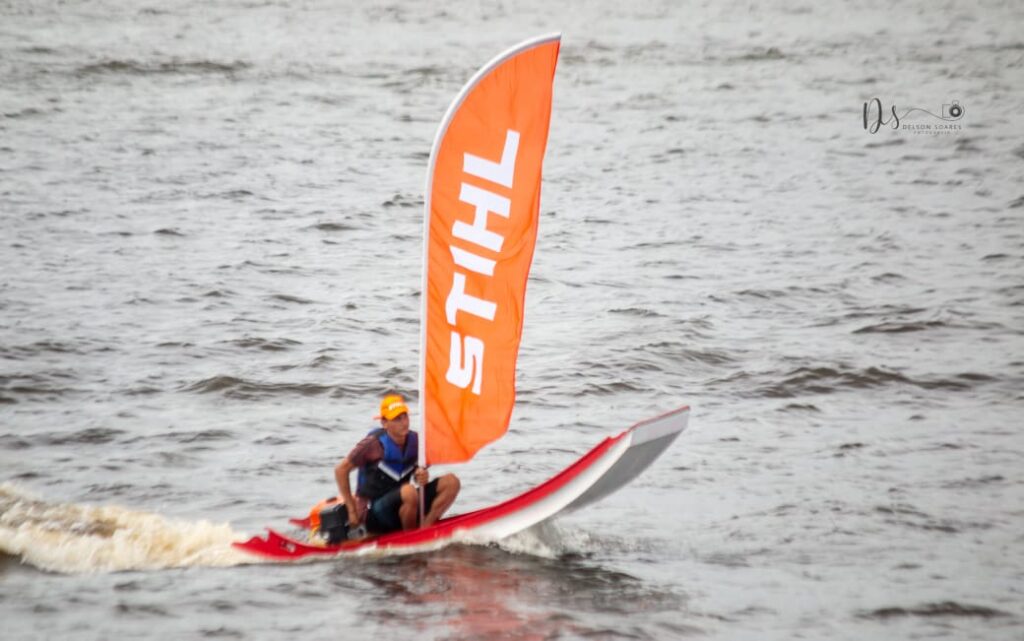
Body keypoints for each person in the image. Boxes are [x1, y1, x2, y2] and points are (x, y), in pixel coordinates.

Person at [334, 393, 460, 535]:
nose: (404, 422)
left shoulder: (416, 441)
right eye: (397, 419)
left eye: (405, 416)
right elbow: (340, 470)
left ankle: (425, 529)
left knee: (451, 482)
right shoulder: (372, 444)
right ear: (384, 423)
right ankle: (411, 538)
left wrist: (421, 474)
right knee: (409, 491)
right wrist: (351, 510)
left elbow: (420, 472)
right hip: (375, 512)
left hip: (405, 506)